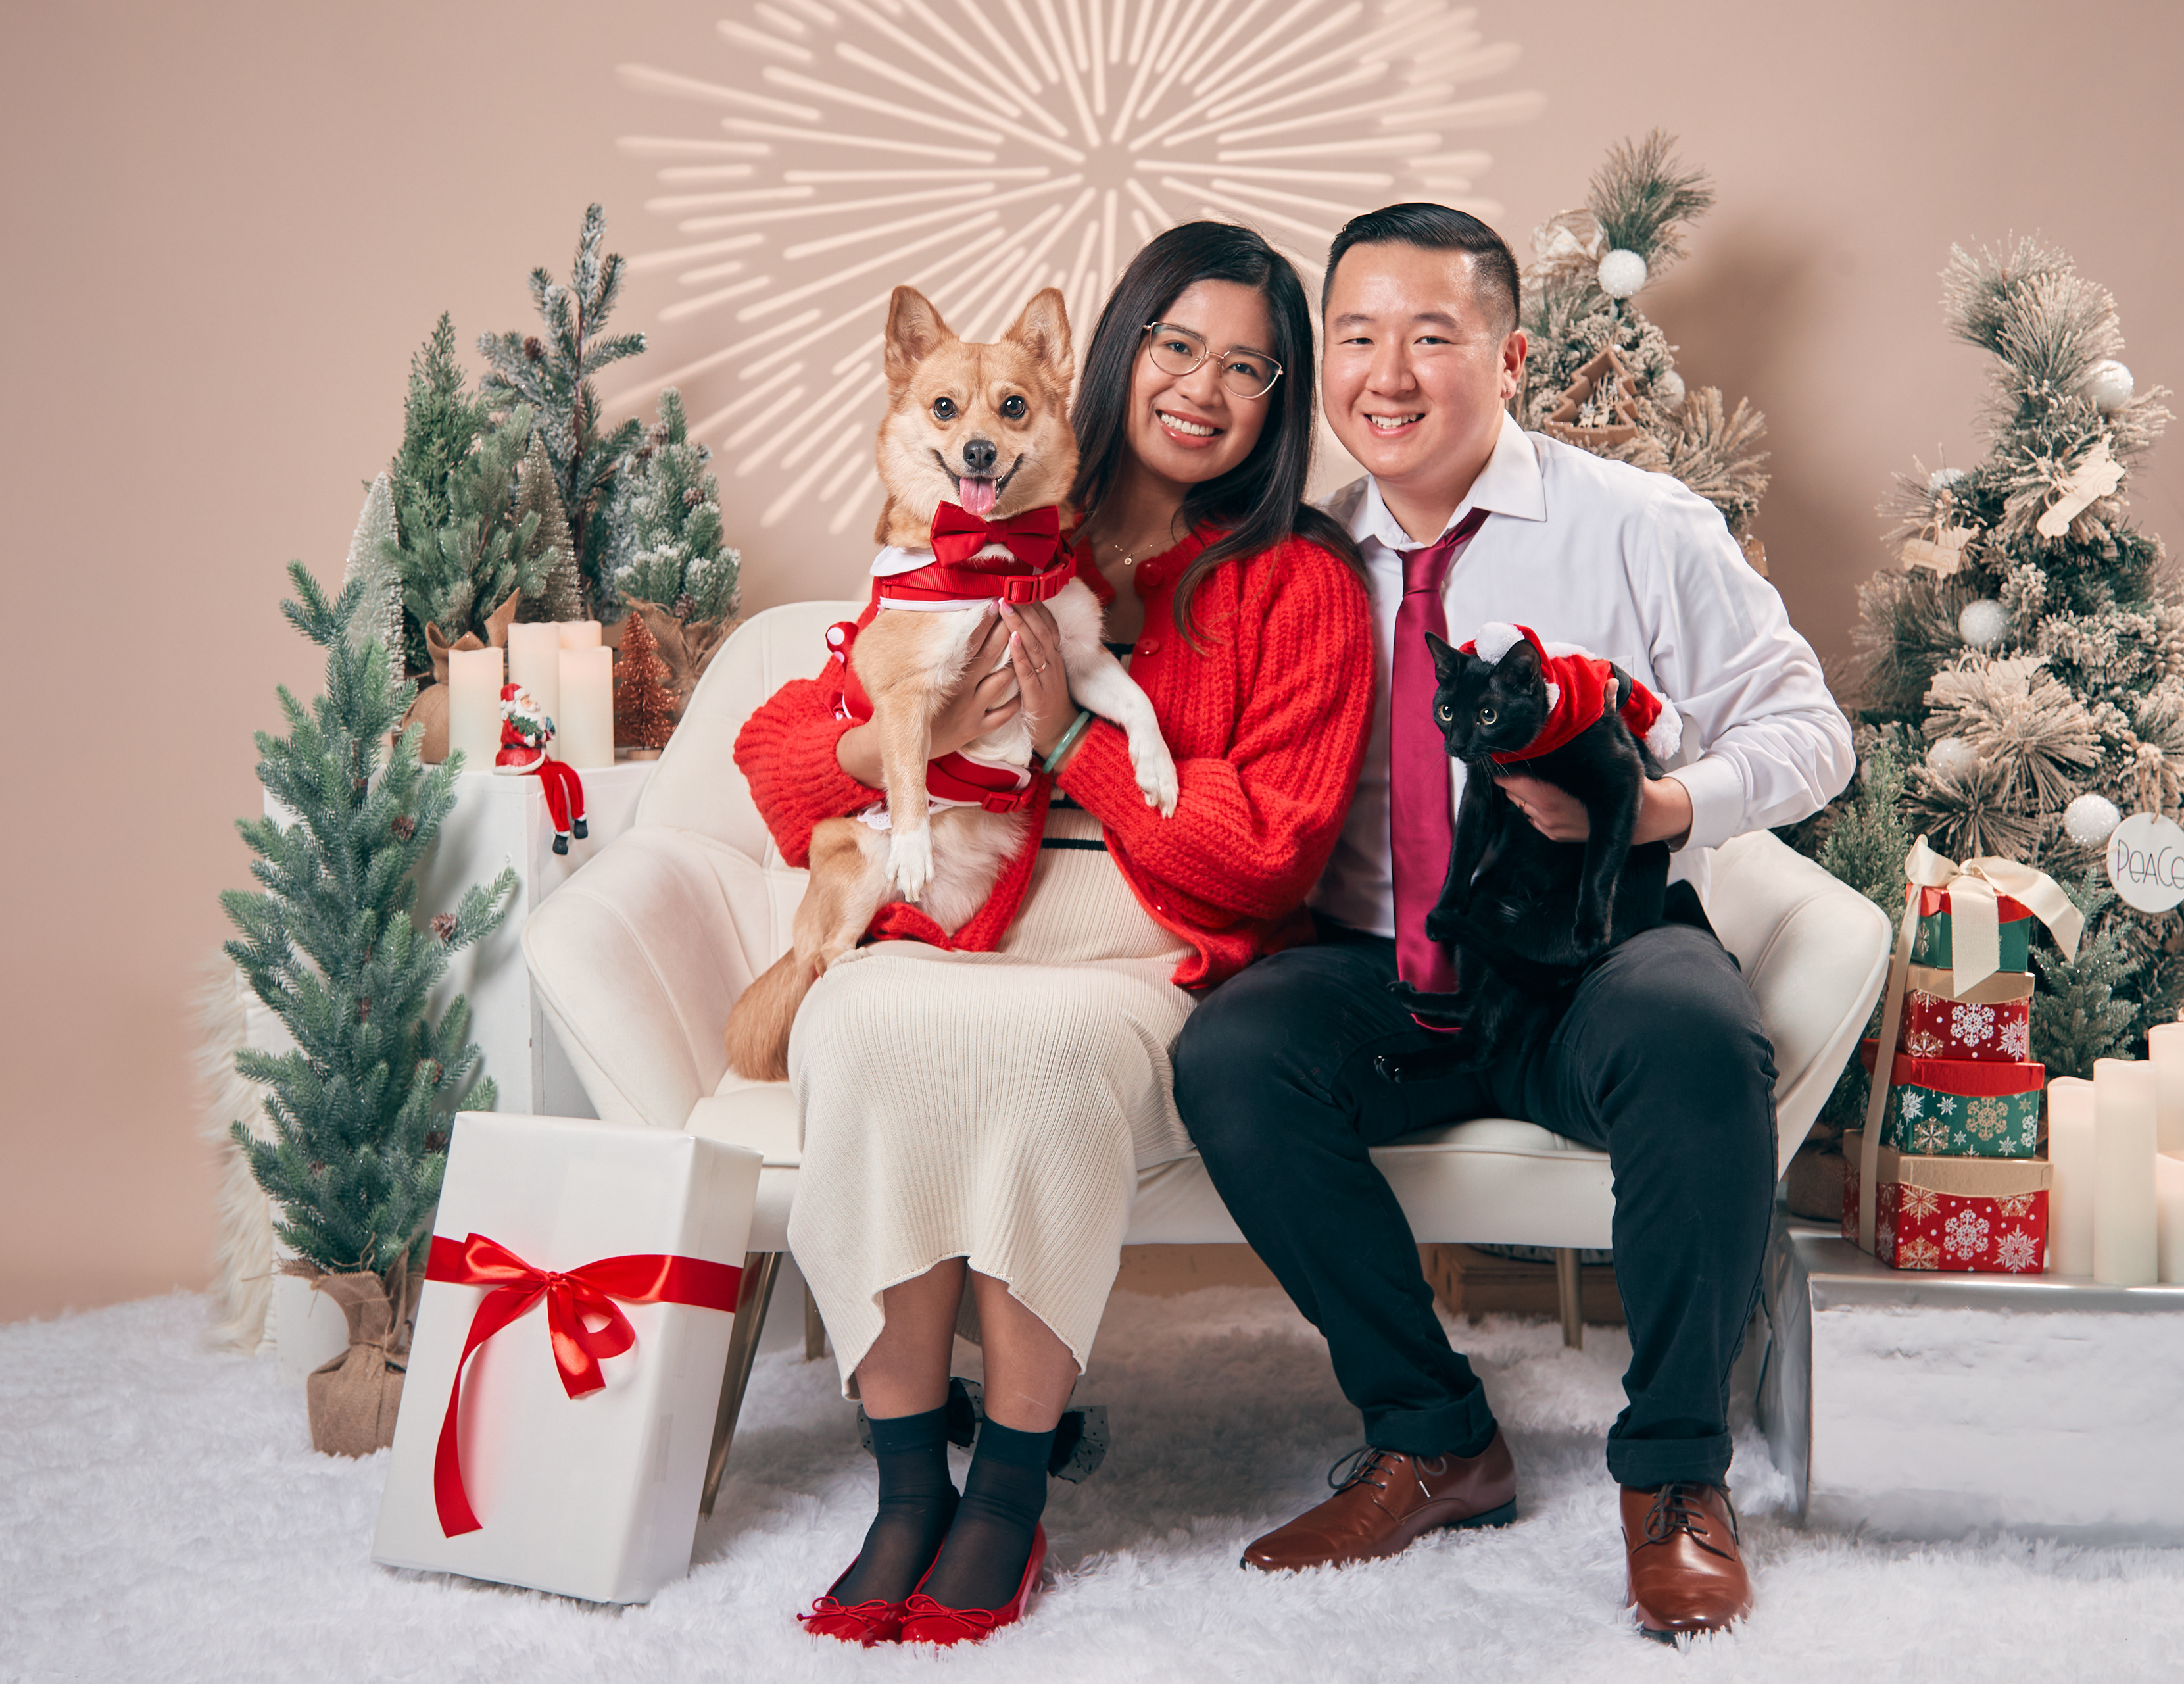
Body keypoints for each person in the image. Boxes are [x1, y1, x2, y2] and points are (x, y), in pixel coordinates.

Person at [1172, 204, 1853, 1637]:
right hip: (1381, 973)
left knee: (1693, 1033)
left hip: (1590, 949)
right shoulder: (1299, 557)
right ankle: (1433, 1436)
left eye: (1432, 336)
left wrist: (1661, 808)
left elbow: (1813, 735)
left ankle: (1675, 1476)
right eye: (1356, 337)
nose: (1388, 375)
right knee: (1234, 1054)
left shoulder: (1639, 526)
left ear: (1511, 357)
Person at [733, 220, 1373, 1644]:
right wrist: (912, 738)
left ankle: (1010, 1492)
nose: (1204, 385)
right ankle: (907, 1486)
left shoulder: (1299, 581)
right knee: (864, 1022)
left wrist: (1077, 737)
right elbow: (779, 762)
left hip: (1140, 942)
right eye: (1177, 345)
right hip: (954, 917)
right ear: (1118, 351)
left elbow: (1268, 857)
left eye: (1250, 367)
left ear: (1280, 402)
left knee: (1036, 1053)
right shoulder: (988, 515)